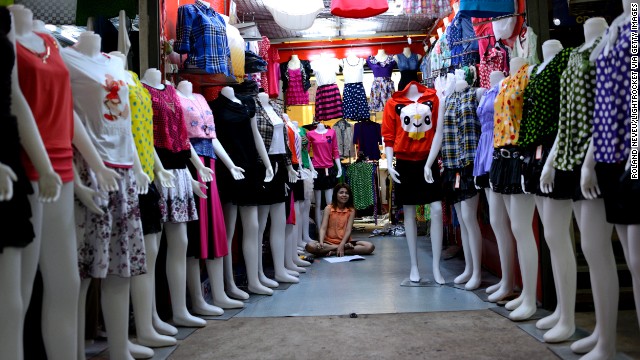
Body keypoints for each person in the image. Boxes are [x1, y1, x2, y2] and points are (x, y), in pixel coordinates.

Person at [305, 183, 375, 257]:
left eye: (346, 193)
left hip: (345, 242)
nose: (344, 195)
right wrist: (321, 242)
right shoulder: (328, 208)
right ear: (336, 194)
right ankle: (340, 248)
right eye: (341, 193)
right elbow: (323, 228)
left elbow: (348, 230)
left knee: (369, 246)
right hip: (328, 243)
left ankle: (334, 251)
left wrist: (342, 244)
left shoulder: (351, 210)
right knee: (310, 246)